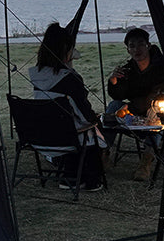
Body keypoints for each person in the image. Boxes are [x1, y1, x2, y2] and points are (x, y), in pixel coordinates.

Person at [28, 22, 106, 192]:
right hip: (68, 136)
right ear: (67, 51)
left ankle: (69, 175)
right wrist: (96, 119)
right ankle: (91, 178)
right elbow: (85, 114)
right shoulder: (70, 79)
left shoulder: (37, 77)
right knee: (93, 129)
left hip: (42, 135)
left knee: (75, 128)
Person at [106, 27, 164, 181]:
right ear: (128, 50)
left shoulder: (162, 65)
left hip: (159, 110)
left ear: (148, 45)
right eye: (132, 46)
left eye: (140, 44)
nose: (137, 49)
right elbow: (120, 95)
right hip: (135, 112)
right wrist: (114, 81)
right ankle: (103, 154)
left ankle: (146, 162)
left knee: (158, 110)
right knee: (114, 105)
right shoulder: (128, 70)